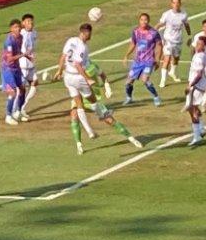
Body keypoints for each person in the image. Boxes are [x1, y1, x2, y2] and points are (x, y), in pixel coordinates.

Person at [54, 24, 143, 155]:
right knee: (75, 114)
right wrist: (86, 78)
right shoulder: (82, 52)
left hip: (77, 85)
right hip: (79, 83)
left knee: (107, 119)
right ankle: (79, 143)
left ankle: (131, 138)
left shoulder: (90, 62)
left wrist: (107, 87)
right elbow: (76, 63)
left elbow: (103, 76)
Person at [122, 13, 163, 107]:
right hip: (137, 61)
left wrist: (157, 59)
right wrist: (126, 55)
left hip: (149, 61)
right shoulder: (136, 31)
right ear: (139, 21)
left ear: (148, 21)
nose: (144, 22)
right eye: (142, 20)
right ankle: (129, 98)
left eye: (145, 20)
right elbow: (133, 43)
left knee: (145, 79)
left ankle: (156, 97)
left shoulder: (153, 33)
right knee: (128, 82)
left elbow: (159, 46)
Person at [156, 0, 191, 88]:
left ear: (180, 4)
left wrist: (189, 35)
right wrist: (153, 31)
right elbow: (160, 24)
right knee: (167, 59)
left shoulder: (183, 14)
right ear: (171, 4)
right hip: (168, 40)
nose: (176, 4)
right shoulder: (167, 14)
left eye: (177, 3)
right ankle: (163, 80)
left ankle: (172, 72)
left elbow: (186, 25)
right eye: (174, 3)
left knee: (176, 59)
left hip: (178, 40)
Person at [185, 36, 206, 147]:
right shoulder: (198, 54)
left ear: (204, 46)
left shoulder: (200, 57)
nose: (197, 45)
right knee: (193, 108)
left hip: (196, 86)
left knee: (192, 109)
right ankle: (201, 128)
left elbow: (199, 75)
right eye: (197, 43)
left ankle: (197, 136)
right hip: (196, 86)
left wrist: (190, 85)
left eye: (200, 44)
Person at [1, 19, 27, 125]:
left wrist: (27, 56)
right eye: (16, 27)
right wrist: (23, 55)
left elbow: (19, 51)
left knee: (23, 89)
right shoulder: (9, 42)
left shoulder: (21, 37)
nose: (18, 29)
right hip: (7, 69)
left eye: (19, 27)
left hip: (16, 68)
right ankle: (8, 116)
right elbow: (9, 59)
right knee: (13, 92)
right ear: (11, 29)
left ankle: (18, 112)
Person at [18, 14, 38, 119]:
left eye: (31, 21)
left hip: (31, 64)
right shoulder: (22, 34)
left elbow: (33, 47)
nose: (31, 23)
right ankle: (16, 110)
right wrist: (29, 57)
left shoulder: (34, 33)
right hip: (23, 65)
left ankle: (22, 107)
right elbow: (21, 50)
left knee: (35, 83)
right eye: (28, 21)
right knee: (21, 89)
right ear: (23, 23)